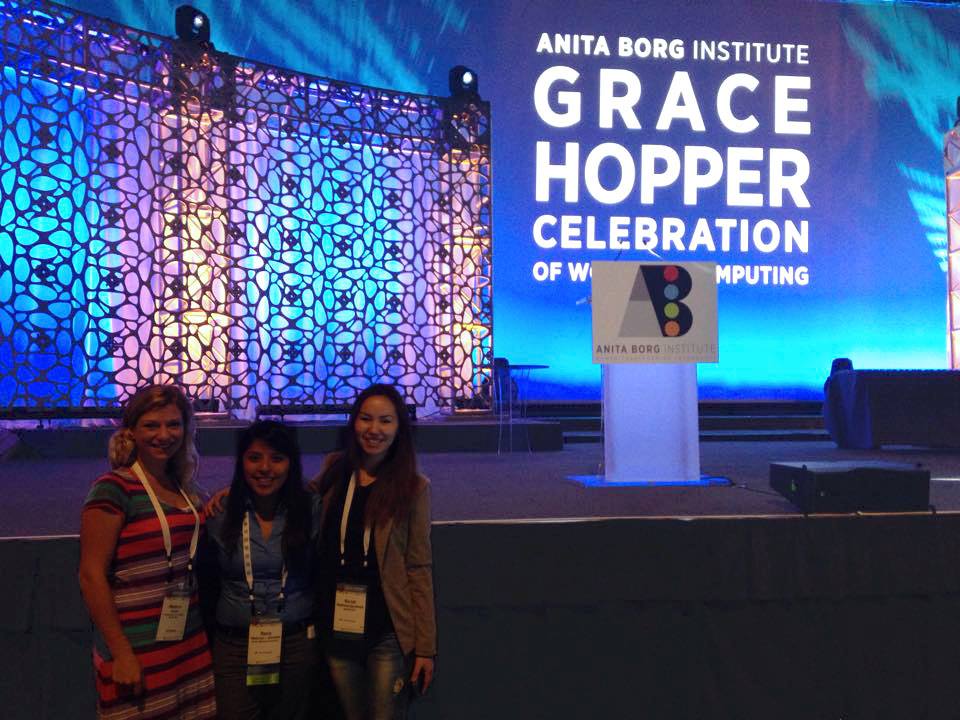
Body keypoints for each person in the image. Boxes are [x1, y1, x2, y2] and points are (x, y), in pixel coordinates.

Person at [78, 384, 216, 719]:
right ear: (132, 431)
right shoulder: (113, 488)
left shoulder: (184, 489)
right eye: (151, 425)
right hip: (136, 648)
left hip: (188, 644)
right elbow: (91, 575)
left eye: (173, 424)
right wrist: (121, 652)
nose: (164, 435)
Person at [313, 383, 437, 720]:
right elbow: (294, 499)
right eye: (366, 418)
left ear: (399, 428)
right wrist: (231, 495)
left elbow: (419, 567)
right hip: (338, 628)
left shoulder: (414, 487)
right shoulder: (336, 470)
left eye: (385, 421)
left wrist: (425, 648)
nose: (374, 429)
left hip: (386, 631)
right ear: (354, 422)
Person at [203, 421, 322, 719]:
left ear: (291, 464)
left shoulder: (311, 509)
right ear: (241, 462)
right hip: (235, 645)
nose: (265, 468)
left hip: (295, 643)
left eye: (277, 458)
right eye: (254, 458)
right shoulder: (220, 512)